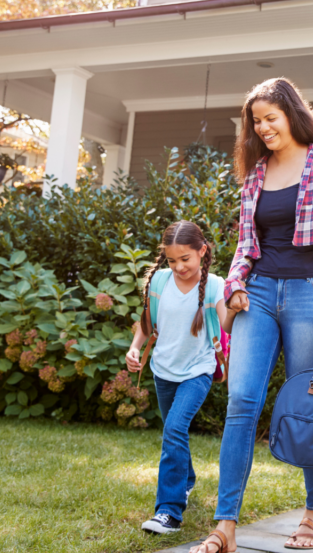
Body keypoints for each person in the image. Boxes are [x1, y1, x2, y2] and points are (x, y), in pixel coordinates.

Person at [190, 78, 313, 553]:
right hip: (261, 294)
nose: (263, 128)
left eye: (270, 117)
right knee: (242, 403)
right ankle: (225, 525)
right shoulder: (255, 176)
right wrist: (235, 286)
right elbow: (246, 246)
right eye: (255, 121)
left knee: (309, 407)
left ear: (291, 113)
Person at [125, 221, 230, 535]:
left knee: (173, 429)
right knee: (175, 433)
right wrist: (134, 348)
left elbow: (228, 324)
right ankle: (186, 480)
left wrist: (236, 304)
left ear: (202, 251)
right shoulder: (158, 281)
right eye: (172, 260)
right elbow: (147, 320)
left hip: (198, 371)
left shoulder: (214, 285)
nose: (179, 266)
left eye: (185, 259)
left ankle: (168, 512)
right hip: (163, 370)